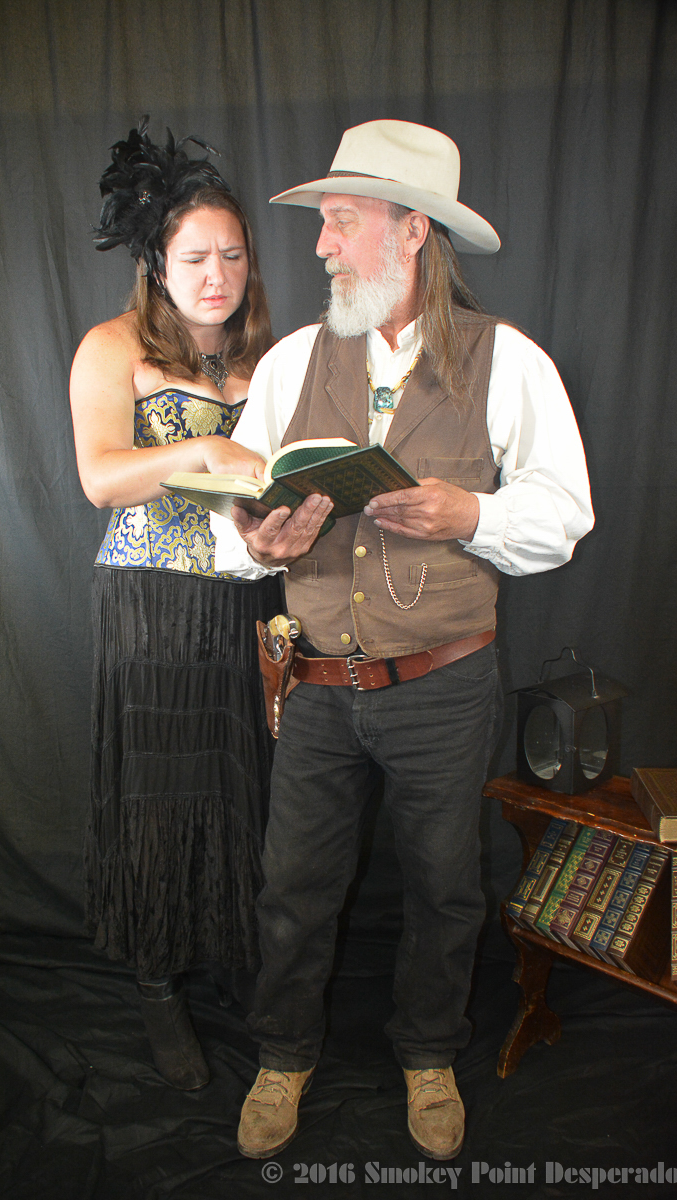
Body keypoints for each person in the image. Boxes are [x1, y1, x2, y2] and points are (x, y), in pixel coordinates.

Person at [212, 120, 594, 1158]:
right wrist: (256, 538)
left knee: (443, 885)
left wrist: (472, 515)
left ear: (413, 229)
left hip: (443, 683)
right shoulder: (291, 362)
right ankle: (282, 1055)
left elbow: (564, 512)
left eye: (342, 221)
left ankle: (429, 1055)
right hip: (315, 682)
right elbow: (232, 514)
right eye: (324, 224)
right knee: (292, 887)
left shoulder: (505, 359)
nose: (322, 244)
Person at [69, 118, 281, 1092]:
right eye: (194, 257)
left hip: (253, 600)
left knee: (244, 790)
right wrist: (200, 449)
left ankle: (237, 958)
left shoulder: (270, 357)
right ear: (157, 262)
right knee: (159, 799)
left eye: (231, 255)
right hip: (151, 602)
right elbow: (100, 479)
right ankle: (158, 985)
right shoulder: (113, 347)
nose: (215, 275)